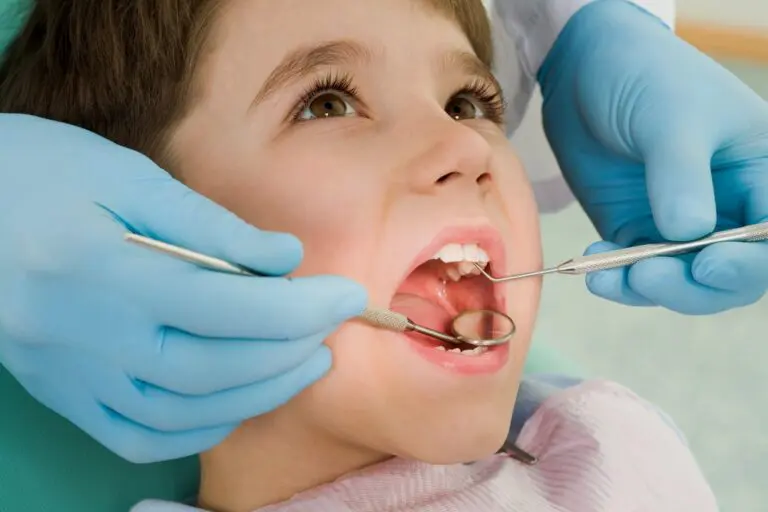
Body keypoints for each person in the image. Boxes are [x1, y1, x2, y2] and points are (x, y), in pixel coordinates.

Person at [0, 1, 720, 510]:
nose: (466, 146)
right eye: (329, 103)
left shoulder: (610, 448)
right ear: (145, 221)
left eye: (468, 101)